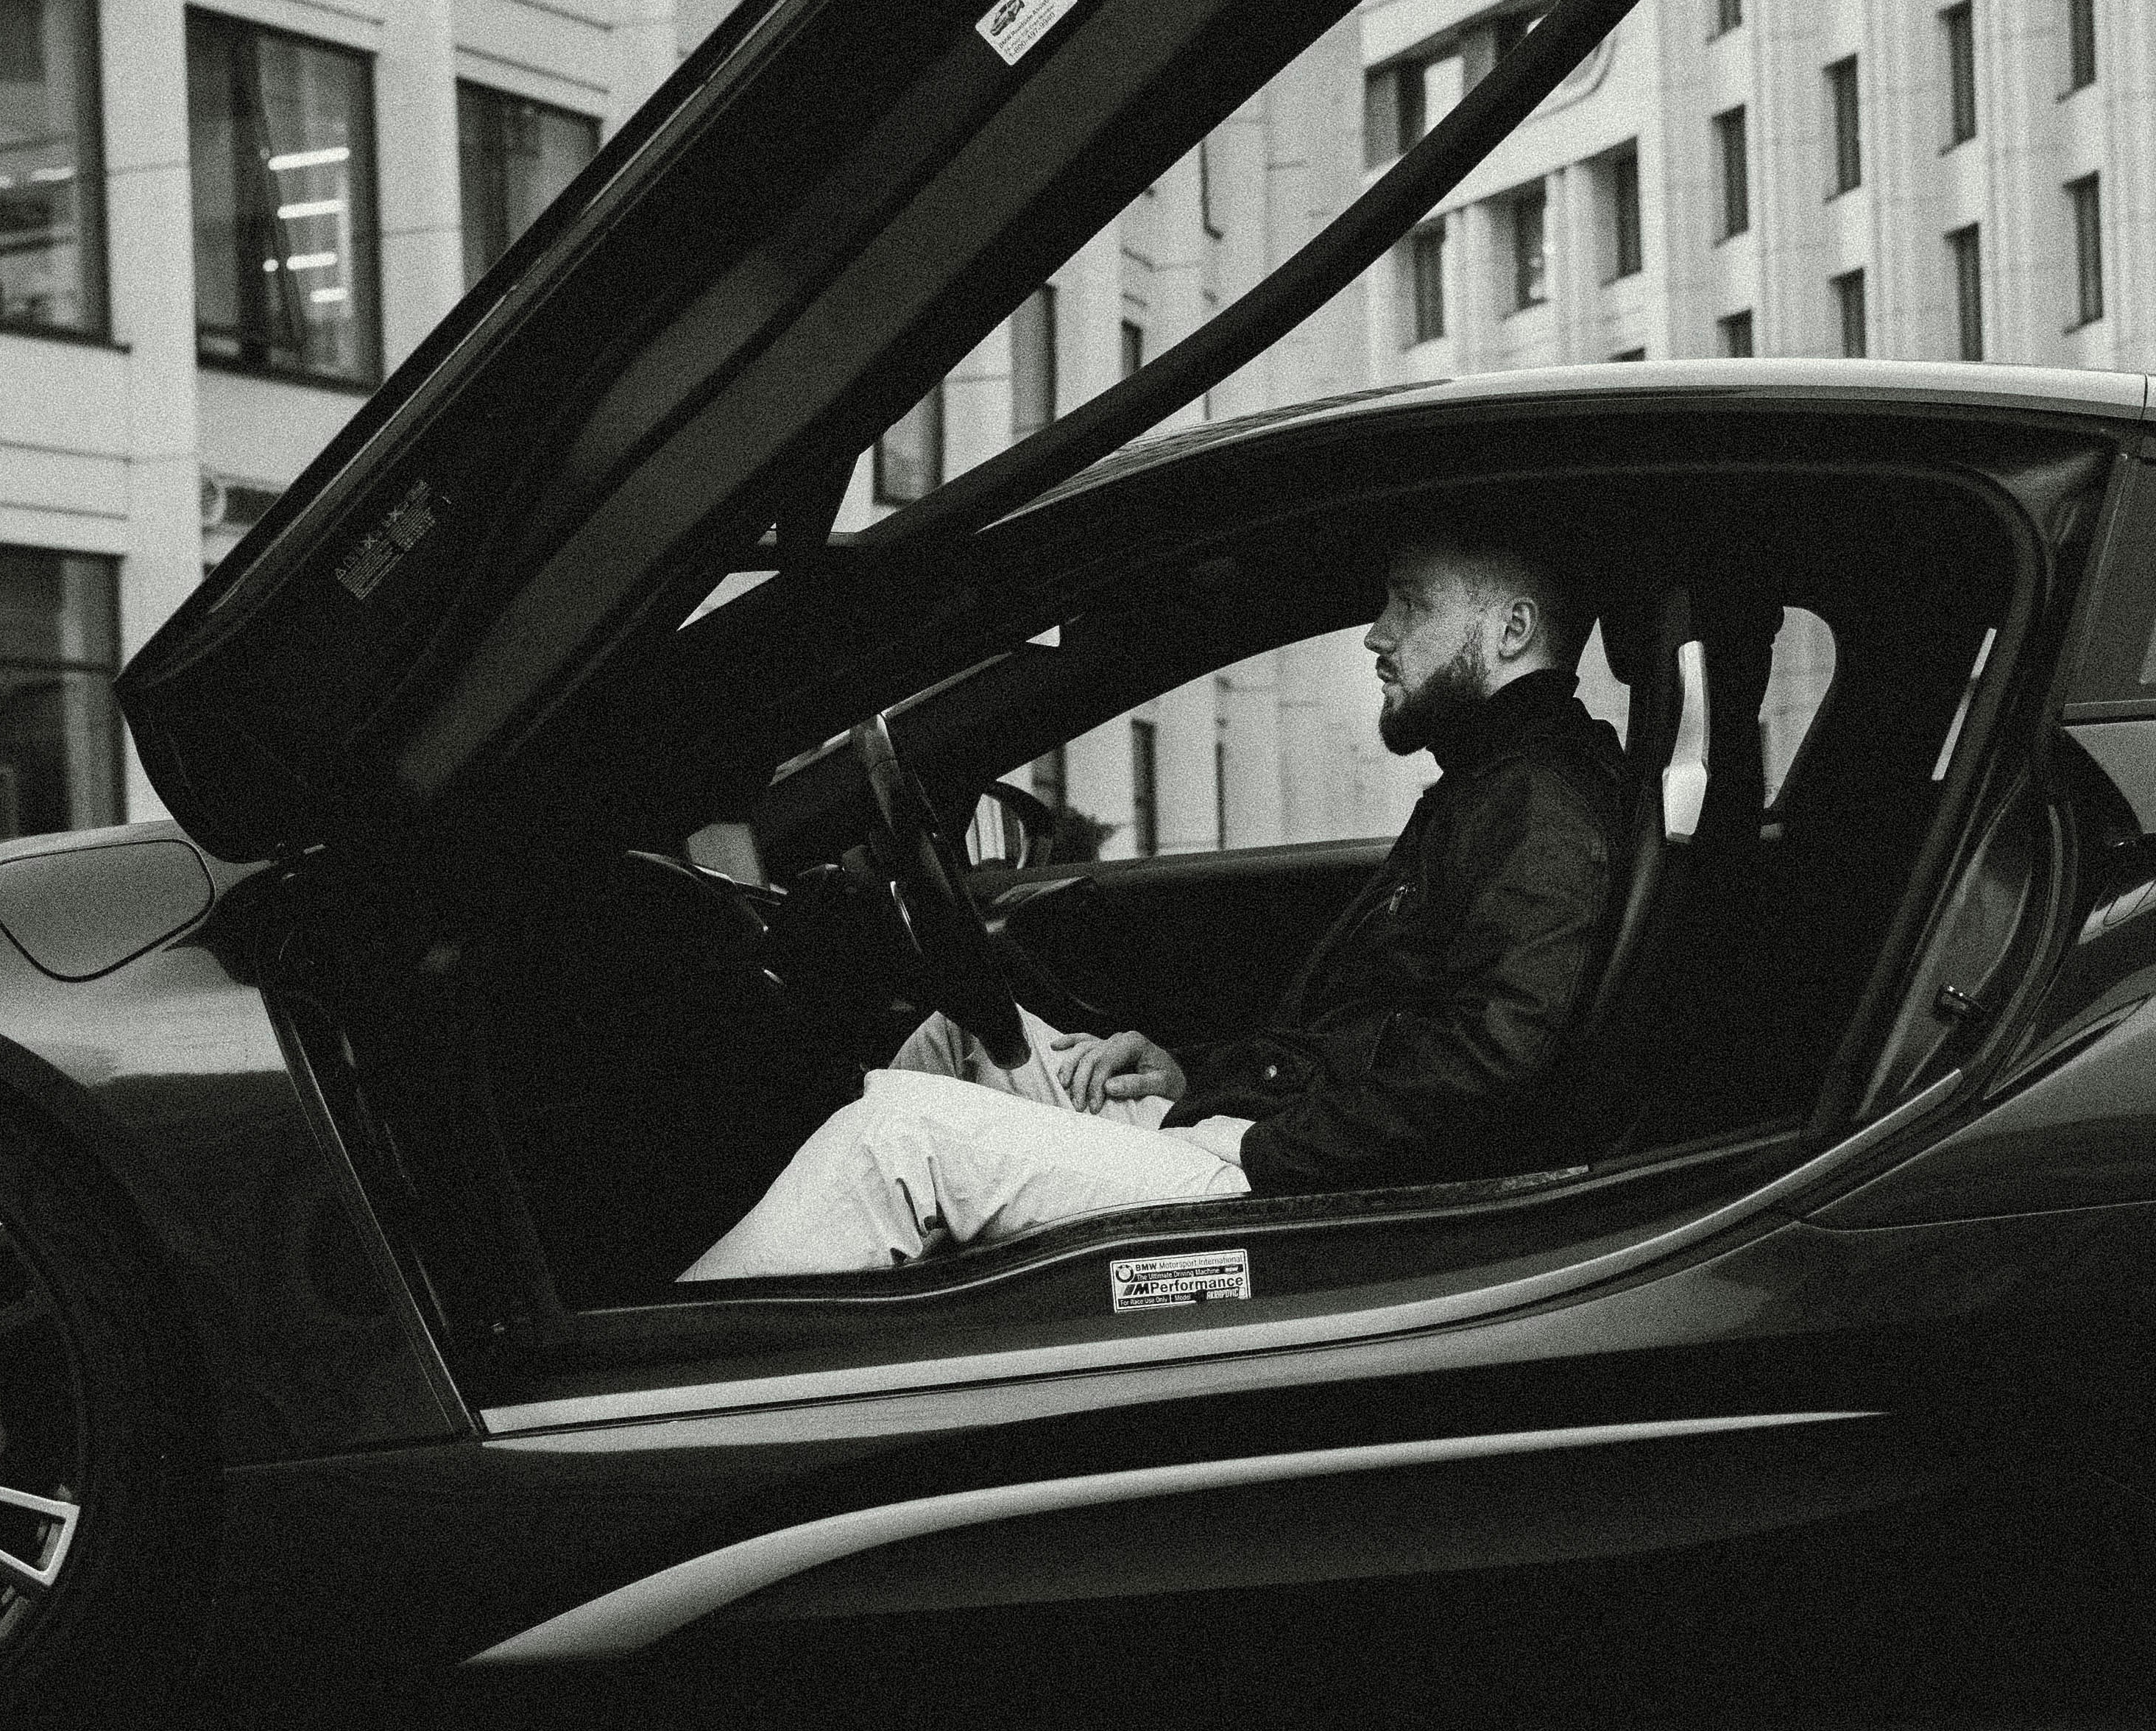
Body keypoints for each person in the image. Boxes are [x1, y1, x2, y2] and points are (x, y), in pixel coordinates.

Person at [683, 525, 1628, 1281]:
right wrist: (1191, 1077)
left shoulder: (1538, 804)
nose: (1375, 634)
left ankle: (669, 1384)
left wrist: (1259, 1141)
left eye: (1407, 604)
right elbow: (1371, 1033)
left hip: (1300, 1204)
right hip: (1278, 1148)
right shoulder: (1491, 787)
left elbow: (1495, 1066)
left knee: (898, 1140)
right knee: (954, 1038)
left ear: (1510, 631)